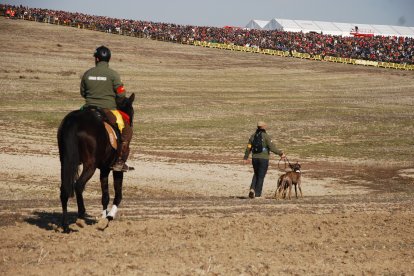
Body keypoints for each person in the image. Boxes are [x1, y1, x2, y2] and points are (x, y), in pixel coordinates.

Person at [80, 45, 133, 172]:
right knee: (126, 131)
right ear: (108, 59)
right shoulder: (113, 75)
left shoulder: (87, 74)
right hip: (108, 109)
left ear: (97, 59)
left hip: (87, 108)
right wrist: (117, 101)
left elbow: (83, 92)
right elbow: (121, 95)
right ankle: (119, 161)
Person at [243, 121, 286, 199]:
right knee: (261, 176)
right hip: (263, 159)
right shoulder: (266, 136)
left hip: (254, 158)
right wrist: (280, 153)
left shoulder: (253, 136)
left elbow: (248, 147)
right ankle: (258, 195)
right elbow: (272, 147)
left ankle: (252, 189)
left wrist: (245, 157)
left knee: (256, 173)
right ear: (263, 127)